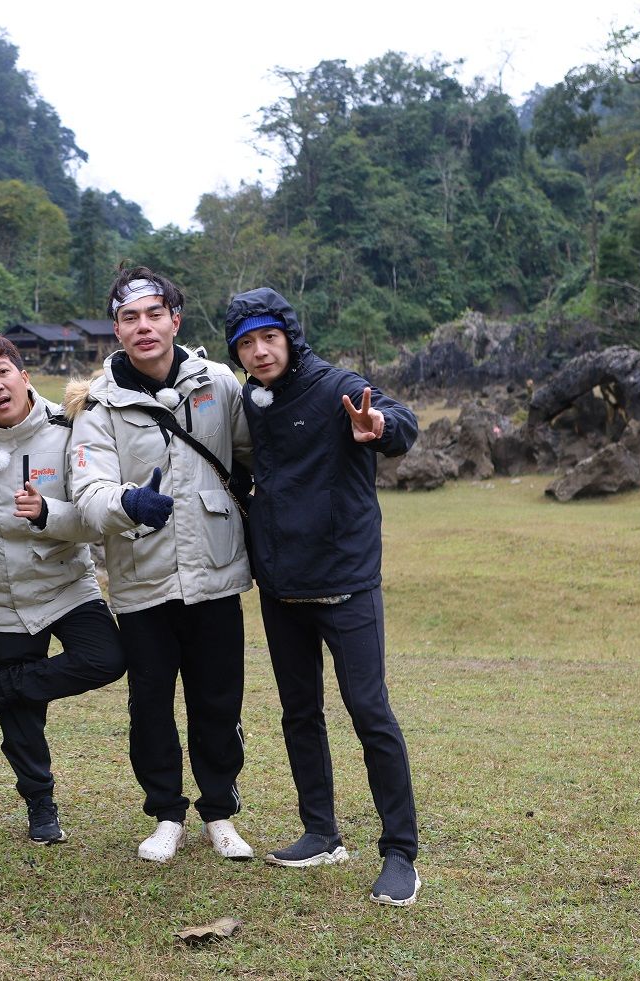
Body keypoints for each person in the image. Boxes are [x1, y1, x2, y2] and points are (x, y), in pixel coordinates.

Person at [224, 286, 423, 907]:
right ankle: (321, 830)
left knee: (370, 712)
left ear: (290, 335)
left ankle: (400, 853)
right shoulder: (252, 402)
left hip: (345, 580)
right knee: (298, 712)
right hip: (282, 584)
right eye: (246, 343)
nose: (259, 352)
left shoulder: (339, 385)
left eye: (268, 337)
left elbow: (402, 424)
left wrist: (380, 426)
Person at [65, 266, 256, 864]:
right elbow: (87, 489)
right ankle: (166, 813)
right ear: (115, 330)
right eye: (129, 318)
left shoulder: (218, 383)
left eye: (154, 315)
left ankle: (220, 811)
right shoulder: (99, 407)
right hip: (141, 575)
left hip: (215, 571)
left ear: (176, 318)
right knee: (150, 702)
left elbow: (256, 449)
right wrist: (127, 501)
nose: (143, 328)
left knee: (218, 699)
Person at [0, 334, 126, 844]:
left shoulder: (70, 427)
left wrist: (46, 513)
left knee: (106, 657)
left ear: (25, 375)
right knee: (24, 717)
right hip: (0, 593)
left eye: (2, 373)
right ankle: (40, 805)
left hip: (67, 582)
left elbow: (93, 519)